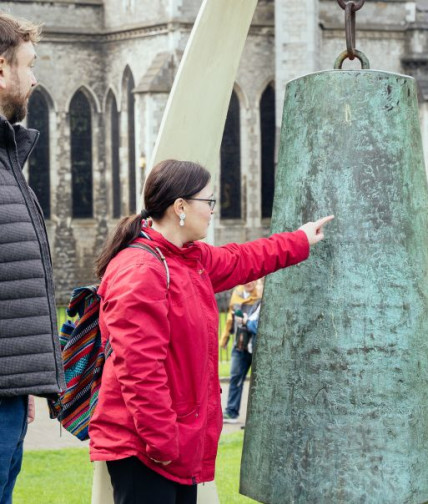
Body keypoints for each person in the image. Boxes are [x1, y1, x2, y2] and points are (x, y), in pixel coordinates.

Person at [89, 159, 334, 504]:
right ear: (181, 208)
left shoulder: (189, 260)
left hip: (173, 447)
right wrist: (163, 444)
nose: (213, 211)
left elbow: (243, 259)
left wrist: (300, 239)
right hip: (145, 451)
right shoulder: (141, 271)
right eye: (209, 202)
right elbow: (140, 371)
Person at [0, 12, 65, 504]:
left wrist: (19, 383)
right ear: (2, 69)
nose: (35, 77)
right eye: (29, 64)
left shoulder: (7, 159)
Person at [220, 281, 261, 423]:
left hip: (255, 345)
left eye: (253, 280)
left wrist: (246, 321)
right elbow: (230, 319)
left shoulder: (260, 295)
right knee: (235, 377)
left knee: (258, 383)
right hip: (240, 344)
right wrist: (225, 338)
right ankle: (231, 411)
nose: (250, 283)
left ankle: (256, 417)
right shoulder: (236, 294)